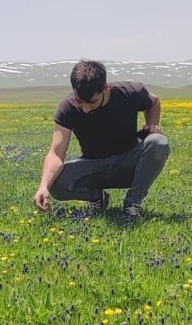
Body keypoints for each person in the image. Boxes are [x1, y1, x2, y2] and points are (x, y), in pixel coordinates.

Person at [33, 59, 169, 218]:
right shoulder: (67, 108)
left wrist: (152, 125)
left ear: (105, 89)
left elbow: (153, 101)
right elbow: (55, 154)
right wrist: (43, 186)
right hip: (94, 166)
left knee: (158, 142)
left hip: (129, 163)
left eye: (92, 102)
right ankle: (97, 197)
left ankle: (133, 203)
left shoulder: (129, 92)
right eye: (79, 102)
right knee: (55, 182)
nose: (85, 108)